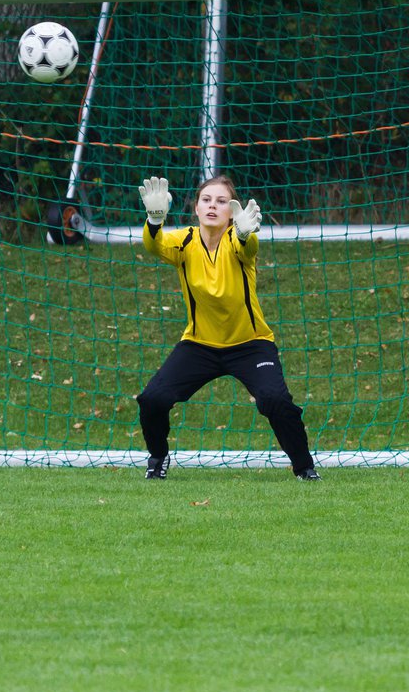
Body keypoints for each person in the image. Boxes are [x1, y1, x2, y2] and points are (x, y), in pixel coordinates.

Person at [135, 175, 319, 480]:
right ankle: (158, 458)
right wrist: (155, 220)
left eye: (222, 201)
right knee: (153, 399)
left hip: (250, 343)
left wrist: (247, 234)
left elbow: (247, 247)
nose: (213, 206)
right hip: (199, 344)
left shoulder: (237, 239)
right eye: (206, 200)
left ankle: (304, 468)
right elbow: (154, 245)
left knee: (275, 401)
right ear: (196, 207)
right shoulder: (184, 242)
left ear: (231, 211)